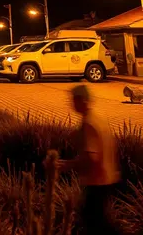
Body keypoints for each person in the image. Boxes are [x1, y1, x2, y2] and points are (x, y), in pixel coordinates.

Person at [57, 84, 121, 235]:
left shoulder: (89, 124)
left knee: (95, 222)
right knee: (99, 221)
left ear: (84, 101)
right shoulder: (96, 119)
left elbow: (91, 157)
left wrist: (67, 165)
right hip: (106, 178)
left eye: (74, 100)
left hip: (97, 181)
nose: (72, 104)